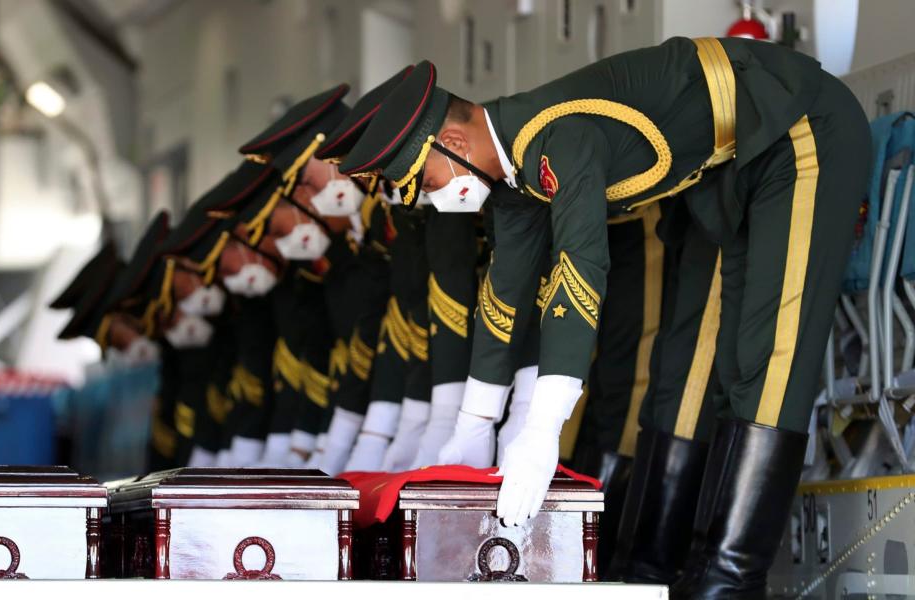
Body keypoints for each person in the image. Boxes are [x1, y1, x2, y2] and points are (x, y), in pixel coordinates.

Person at [341, 37, 871, 597]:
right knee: (733, 365)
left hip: (798, 128)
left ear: (451, 142)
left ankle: (732, 576)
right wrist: (474, 426)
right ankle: (696, 566)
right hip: (733, 170)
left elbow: (579, 270)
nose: (433, 200)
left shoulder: (556, 134)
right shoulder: (514, 176)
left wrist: (543, 428)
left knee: (773, 354)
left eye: (426, 183)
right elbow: (505, 299)